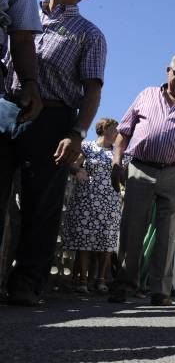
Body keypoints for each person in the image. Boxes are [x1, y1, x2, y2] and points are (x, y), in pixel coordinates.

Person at [0, 0, 106, 305]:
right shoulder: (21, 10)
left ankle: (27, 283)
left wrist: (77, 133)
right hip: (8, 107)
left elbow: (93, 90)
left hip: (52, 117)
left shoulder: (89, 34)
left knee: (41, 204)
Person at [108, 52, 175, 306]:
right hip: (141, 168)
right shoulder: (145, 95)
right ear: (168, 71)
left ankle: (160, 290)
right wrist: (116, 162)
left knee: (167, 233)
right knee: (132, 227)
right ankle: (123, 284)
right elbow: (123, 133)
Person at [62, 118, 121, 293]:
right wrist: (77, 170)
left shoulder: (117, 153)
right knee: (85, 240)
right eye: (114, 129)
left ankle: (101, 280)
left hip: (110, 202)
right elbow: (72, 163)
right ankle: (82, 280)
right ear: (103, 129)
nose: (117, 132)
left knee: (107, 241)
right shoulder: (87, 147)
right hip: (86, 199)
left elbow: (124, 174)